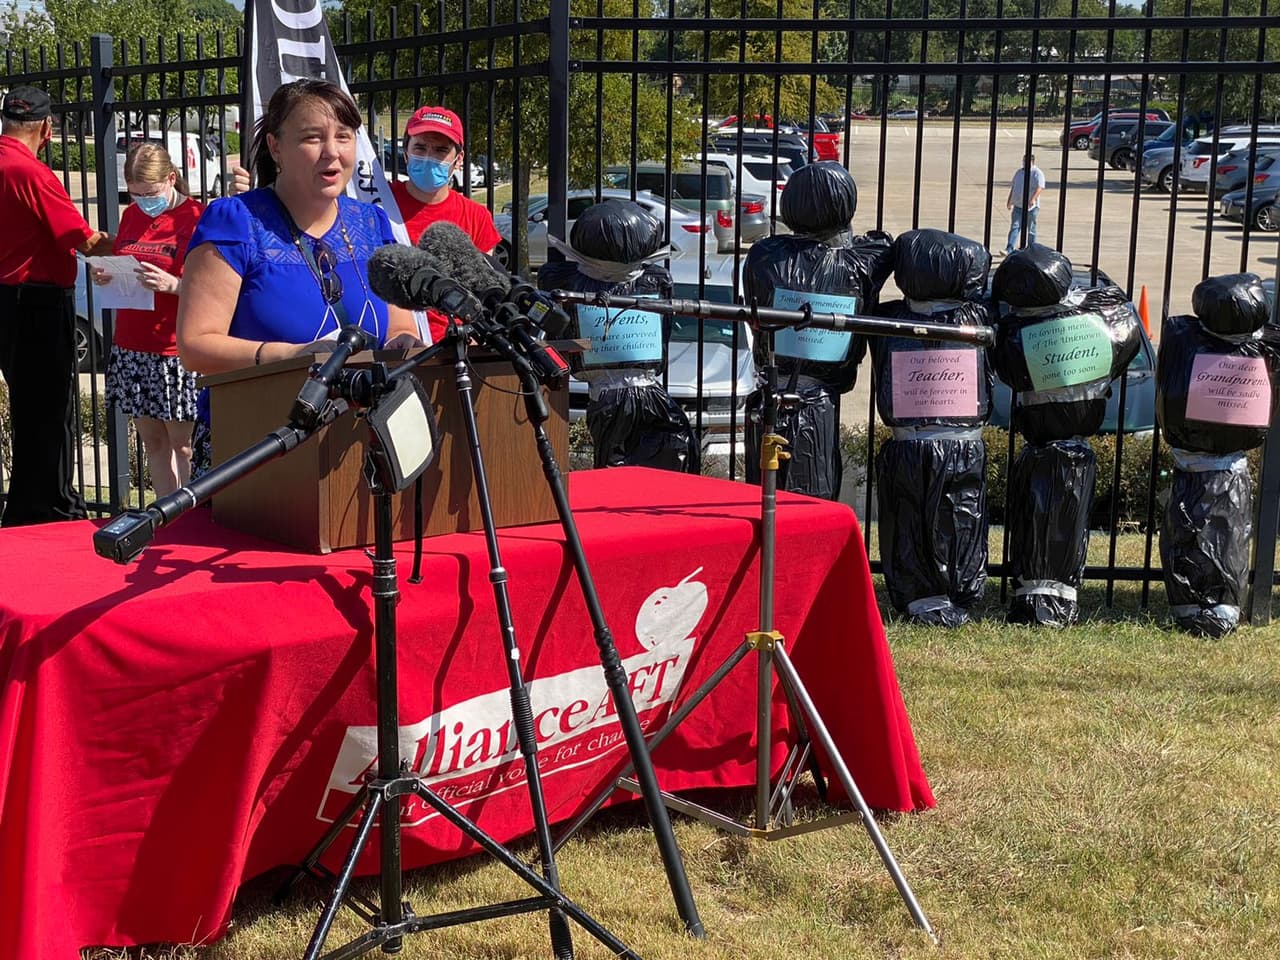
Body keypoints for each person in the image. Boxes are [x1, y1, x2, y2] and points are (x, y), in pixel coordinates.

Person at [177, 79, 421, 467]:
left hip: (357, 443)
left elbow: (399, 327)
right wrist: (292, 356)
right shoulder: (235, 221)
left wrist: (403, 344)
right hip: (256, 446)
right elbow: (195, 346)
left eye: (344, 136)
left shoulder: (373, 222)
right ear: (276, 147)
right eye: (312, 138)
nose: (332, 153)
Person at [0, 85, 112, 526]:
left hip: (8, 298)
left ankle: (26, 505)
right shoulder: (30, 172)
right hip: (38, 302)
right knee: (49, 407)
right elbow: (84, 239)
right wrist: (144, 247)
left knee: (27, 406)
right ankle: (54, 506)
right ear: (46, 129)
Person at [90, 144, 203, 498]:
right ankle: (166, 515)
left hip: (174, 348)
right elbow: (124, 257)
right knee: (154, 443)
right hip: (132, 344)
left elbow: (214, 288)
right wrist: (107, 275)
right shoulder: (131, 216)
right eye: (135, 194)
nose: (143, 202)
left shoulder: (198, 217)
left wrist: (175, 285)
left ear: (172, 179)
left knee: (184, 445)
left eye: (150, 194)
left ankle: (193, 513)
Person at [389, 105, 501, 255]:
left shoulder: (477, 218)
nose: (428, 157)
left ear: (459, 159)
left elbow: (483, 276)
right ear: (406, 153)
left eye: (441, 150)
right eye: (420, 148)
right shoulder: (380, 201)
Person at [1002, 154, 1046, 257]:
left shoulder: (1037, 173)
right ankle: (1009, 248)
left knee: (1031, 229)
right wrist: (1010, 200)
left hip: (1031, 207)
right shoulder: (1019, 173)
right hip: (1018, 205)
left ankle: (1031, 250)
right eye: (1023, 161)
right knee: (1015, 227)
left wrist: (1033, 199)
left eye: (1027, 161)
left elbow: (1040, 187)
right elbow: (1014, 188)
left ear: (1032, 162)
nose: (1024, 163)